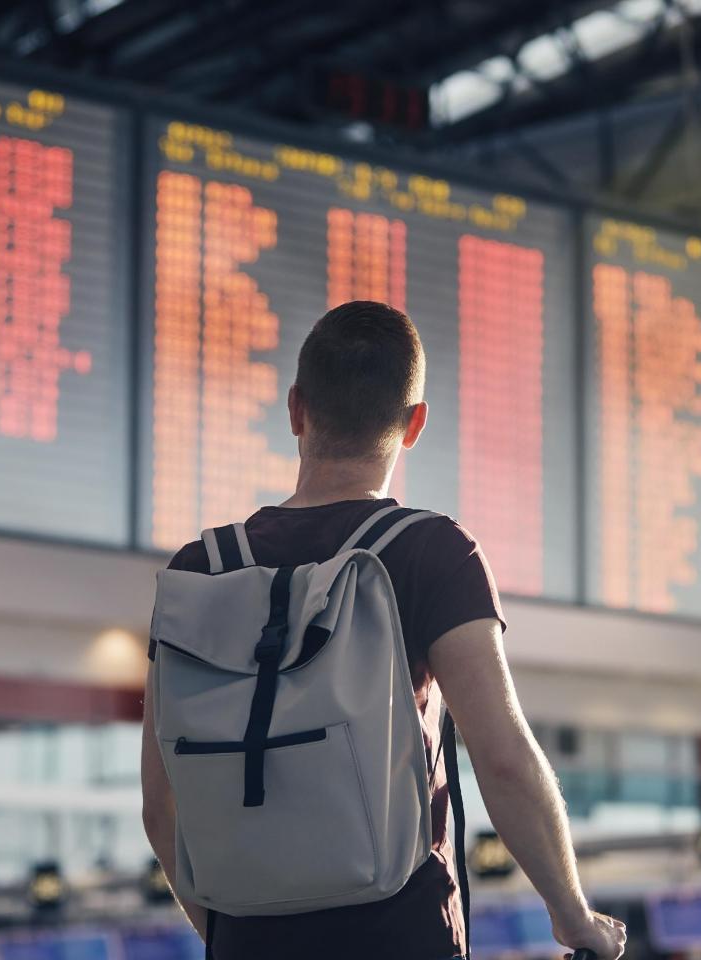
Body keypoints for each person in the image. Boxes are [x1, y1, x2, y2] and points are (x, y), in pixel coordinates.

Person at [140, 300, 627, 960]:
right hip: (402, 934)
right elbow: (504, 758)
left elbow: (161, 806)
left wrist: (233, 936)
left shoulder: (198, 570)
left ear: (295, 410)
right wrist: (574, 918)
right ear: (415, 423)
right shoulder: (430, 550)